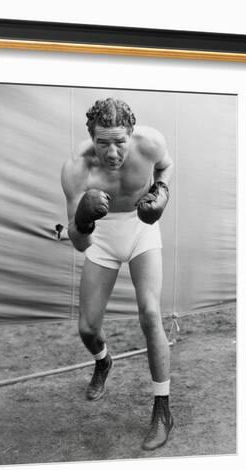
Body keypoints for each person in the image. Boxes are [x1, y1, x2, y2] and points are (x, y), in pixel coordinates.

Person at [60, 98, 174, 451]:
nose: (112, 152)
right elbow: (80, 243)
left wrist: (162, 191)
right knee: (88, 328)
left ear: (132, 134)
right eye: (103, 142)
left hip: (141, 229)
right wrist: (82, 219)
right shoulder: (77, 169)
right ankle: (103, 362)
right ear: (90, 136)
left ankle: (162, 409)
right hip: (101, 234)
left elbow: (166, 167)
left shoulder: (151, 142)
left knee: (151, 313)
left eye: (119, 142)